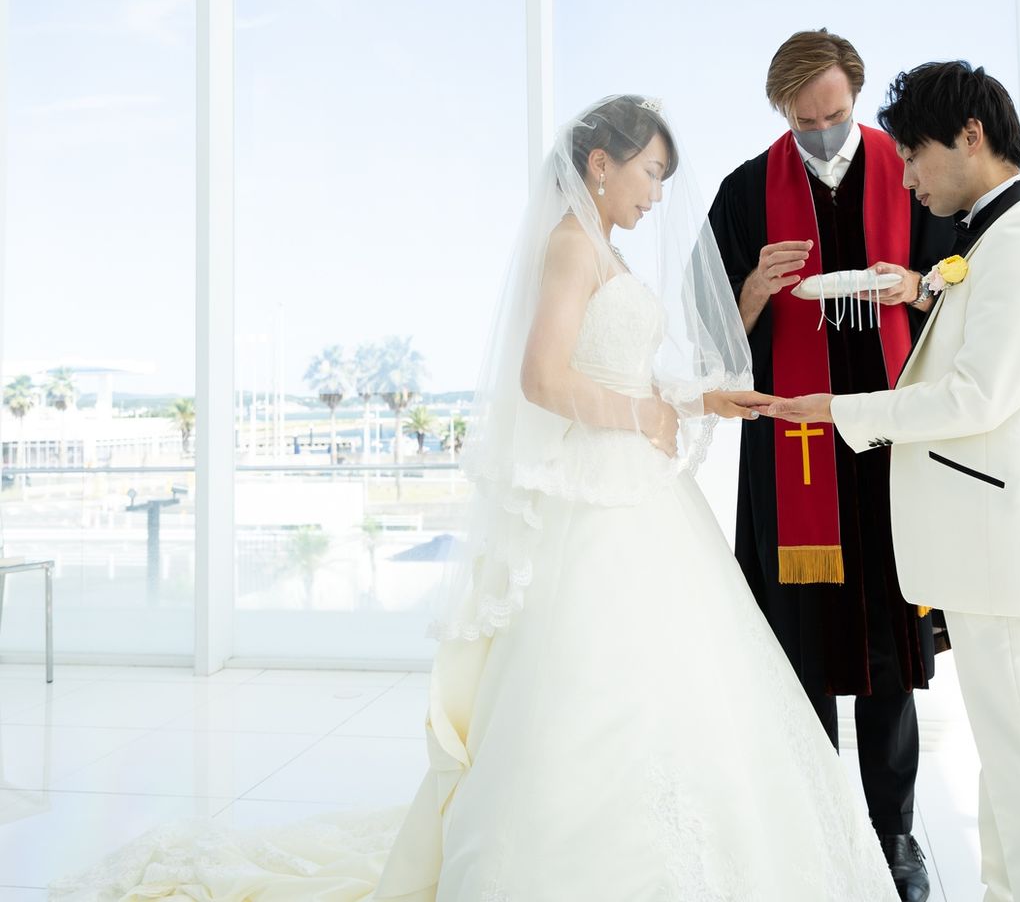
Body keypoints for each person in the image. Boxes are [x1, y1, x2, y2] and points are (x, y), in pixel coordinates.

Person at [52, 96, 898, 902]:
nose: (656, 194)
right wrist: (645, 415)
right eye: (650, 172)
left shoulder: (606, 249)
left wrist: (699, 400)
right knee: (593, 682)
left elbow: (621, 372)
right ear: (601, 164)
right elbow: (542, 378)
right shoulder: (571, 246)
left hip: (638, 491)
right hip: (595, 497)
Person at [771, 62, 1020, 902]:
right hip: (998, 551)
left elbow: (977, 396)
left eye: (914, 155)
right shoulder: (1000, 236)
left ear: (970, 136)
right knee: (1014, 764)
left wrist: (838, 409)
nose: (906, 178)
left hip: (1011, 551)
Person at [708, 30, 957, 902]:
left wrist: (914, 286)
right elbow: (706, 339)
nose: (822, 134)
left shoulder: (915, 171)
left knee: (890, 653)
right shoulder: (745, 192)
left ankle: (895, 837)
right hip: (793, 459)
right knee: (800, 650)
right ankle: (814, 833)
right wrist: (753, 291)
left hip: (892, 449)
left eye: (836, 115)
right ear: (781, 113)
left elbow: (965, 286)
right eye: (803, 122)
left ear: (856, 95)